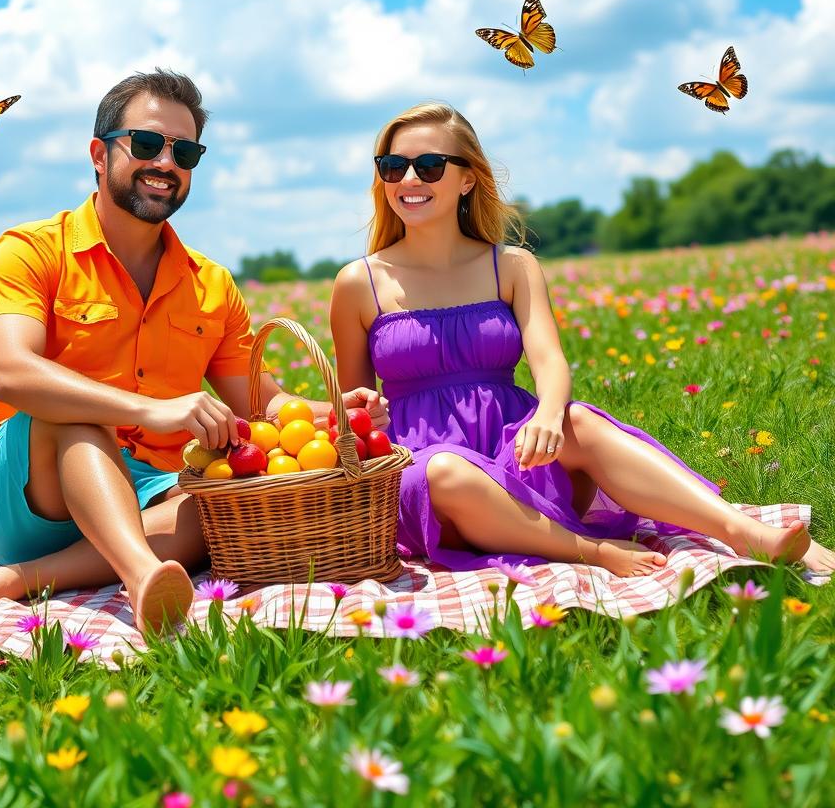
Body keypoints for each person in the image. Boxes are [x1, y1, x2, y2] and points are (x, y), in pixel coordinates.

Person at [0, 69, 388, 632]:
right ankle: (140, 577)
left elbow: (263, 403)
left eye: (185, 152)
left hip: (146, 493)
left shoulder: (211, 285)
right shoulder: (30, 251)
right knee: (80, 418)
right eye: (149, 144)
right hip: (27, 491)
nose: (166, 164)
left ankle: (23, 579)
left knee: (223, 505)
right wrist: (147, 410)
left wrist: (340, 415)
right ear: (98, 153)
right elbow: (11, 373)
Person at [329, 101, 835, 577]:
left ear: (466, 179)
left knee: (578, 420)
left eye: (430, 165)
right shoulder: (359, 283)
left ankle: (744, 532)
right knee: (445, 470)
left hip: (517, 456)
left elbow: (549, 360)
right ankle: (592, 552)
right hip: (425, 479)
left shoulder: (510, 265)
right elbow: (355, 412)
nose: (409, 179)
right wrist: (362, 413)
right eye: (393, 166)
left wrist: (549, 414)